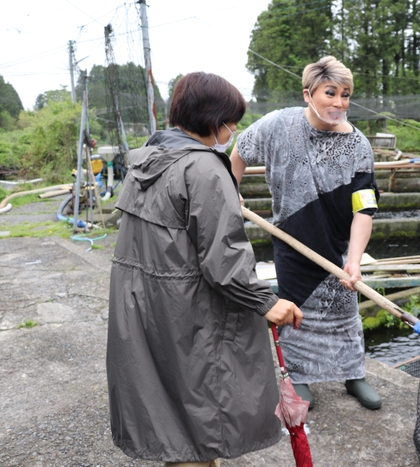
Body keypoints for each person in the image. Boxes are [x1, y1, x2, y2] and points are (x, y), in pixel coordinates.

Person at [106, 72, 303, 467]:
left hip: (142, 306)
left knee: (169, 412)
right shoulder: (205, 169)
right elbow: (223, 259)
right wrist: (266, 301)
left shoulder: (149, 159)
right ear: (213, 120)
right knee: (199, 412)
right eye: (231, 122)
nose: (233, 130)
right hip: (185, 313)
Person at [230, 56, 381, 411]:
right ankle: (298, 375)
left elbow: (364, 207)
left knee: (345, 309)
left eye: (345, 95)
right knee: (295, 309)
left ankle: (353, 373)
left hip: (336, 242)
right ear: (308, 93)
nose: (339, 103)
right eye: (331, 93)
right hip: (291, 236)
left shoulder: (358, 145)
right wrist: (230, 186)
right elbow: (239, 151)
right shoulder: (278, 125)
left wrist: (355, 261)